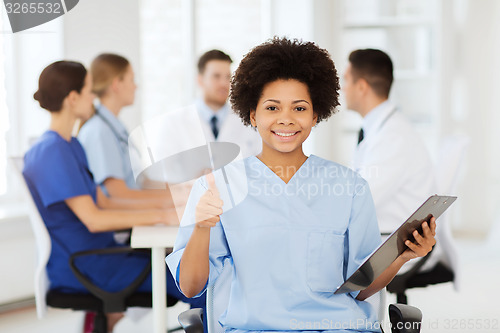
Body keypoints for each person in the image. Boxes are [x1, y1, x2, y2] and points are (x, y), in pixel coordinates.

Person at [166, 38, 436, 333]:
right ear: (252, 115)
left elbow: (360, 288)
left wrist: (402, 256)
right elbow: (191, 288)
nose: (286, 119)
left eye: (299, 108)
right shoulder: (218, 187)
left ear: (315, 114)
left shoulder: (350, 187)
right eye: (272, 107)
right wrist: (201, 227)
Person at [23, 61, 205, 332]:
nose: (93, 98)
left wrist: (172, 205)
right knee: (200, 280)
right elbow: (94, 219)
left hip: (101, 256)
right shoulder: (52, 151)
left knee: (196, 269)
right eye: (88, 91)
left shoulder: (69, 145)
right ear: (72, 99)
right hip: (89, 265)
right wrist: (164, 214)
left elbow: (105, 201)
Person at [343, 49, 436, 235]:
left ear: (361, 87)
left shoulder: (392, 137)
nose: (342, 88)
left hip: (393, 243)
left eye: (345, 80)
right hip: (384, 235)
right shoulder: (383, 129)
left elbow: (358, 202)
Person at [78, 53, 174, 207]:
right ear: (117, 84)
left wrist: (182, 190)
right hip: (122, 223)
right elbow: (119, 194)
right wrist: (175, 200)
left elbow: (140, 183)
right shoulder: (99, 131)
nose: (136, 86)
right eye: (132, 79)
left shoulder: (114, 127)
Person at [194, 49, 261, 157]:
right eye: (216, 76)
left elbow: (260, 167)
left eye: (227, 77)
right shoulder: (177, 124)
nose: (224, 83)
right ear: (200, 80)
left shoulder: (249, 123)